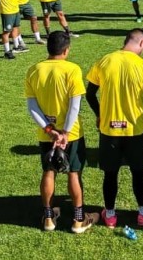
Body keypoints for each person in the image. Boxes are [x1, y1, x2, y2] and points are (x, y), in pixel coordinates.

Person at [85, 29, 143, 228]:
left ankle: (110, 215)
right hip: (135, 131)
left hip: (109, 130)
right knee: (138, 172)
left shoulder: (104, 61)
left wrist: (100, 114)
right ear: (141, 43)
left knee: (110, 174)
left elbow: (90, 94)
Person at [25, 31, 98, 233]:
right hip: (71, 134)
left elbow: (32, 106)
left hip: (46, 134)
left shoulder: (34, 70)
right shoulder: (72, 69)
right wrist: (64, 132)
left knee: (48, 171)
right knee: (74, 173)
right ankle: (78, 220)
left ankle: (48, 218)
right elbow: (75, 105)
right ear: (66, 50)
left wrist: (50, 130)